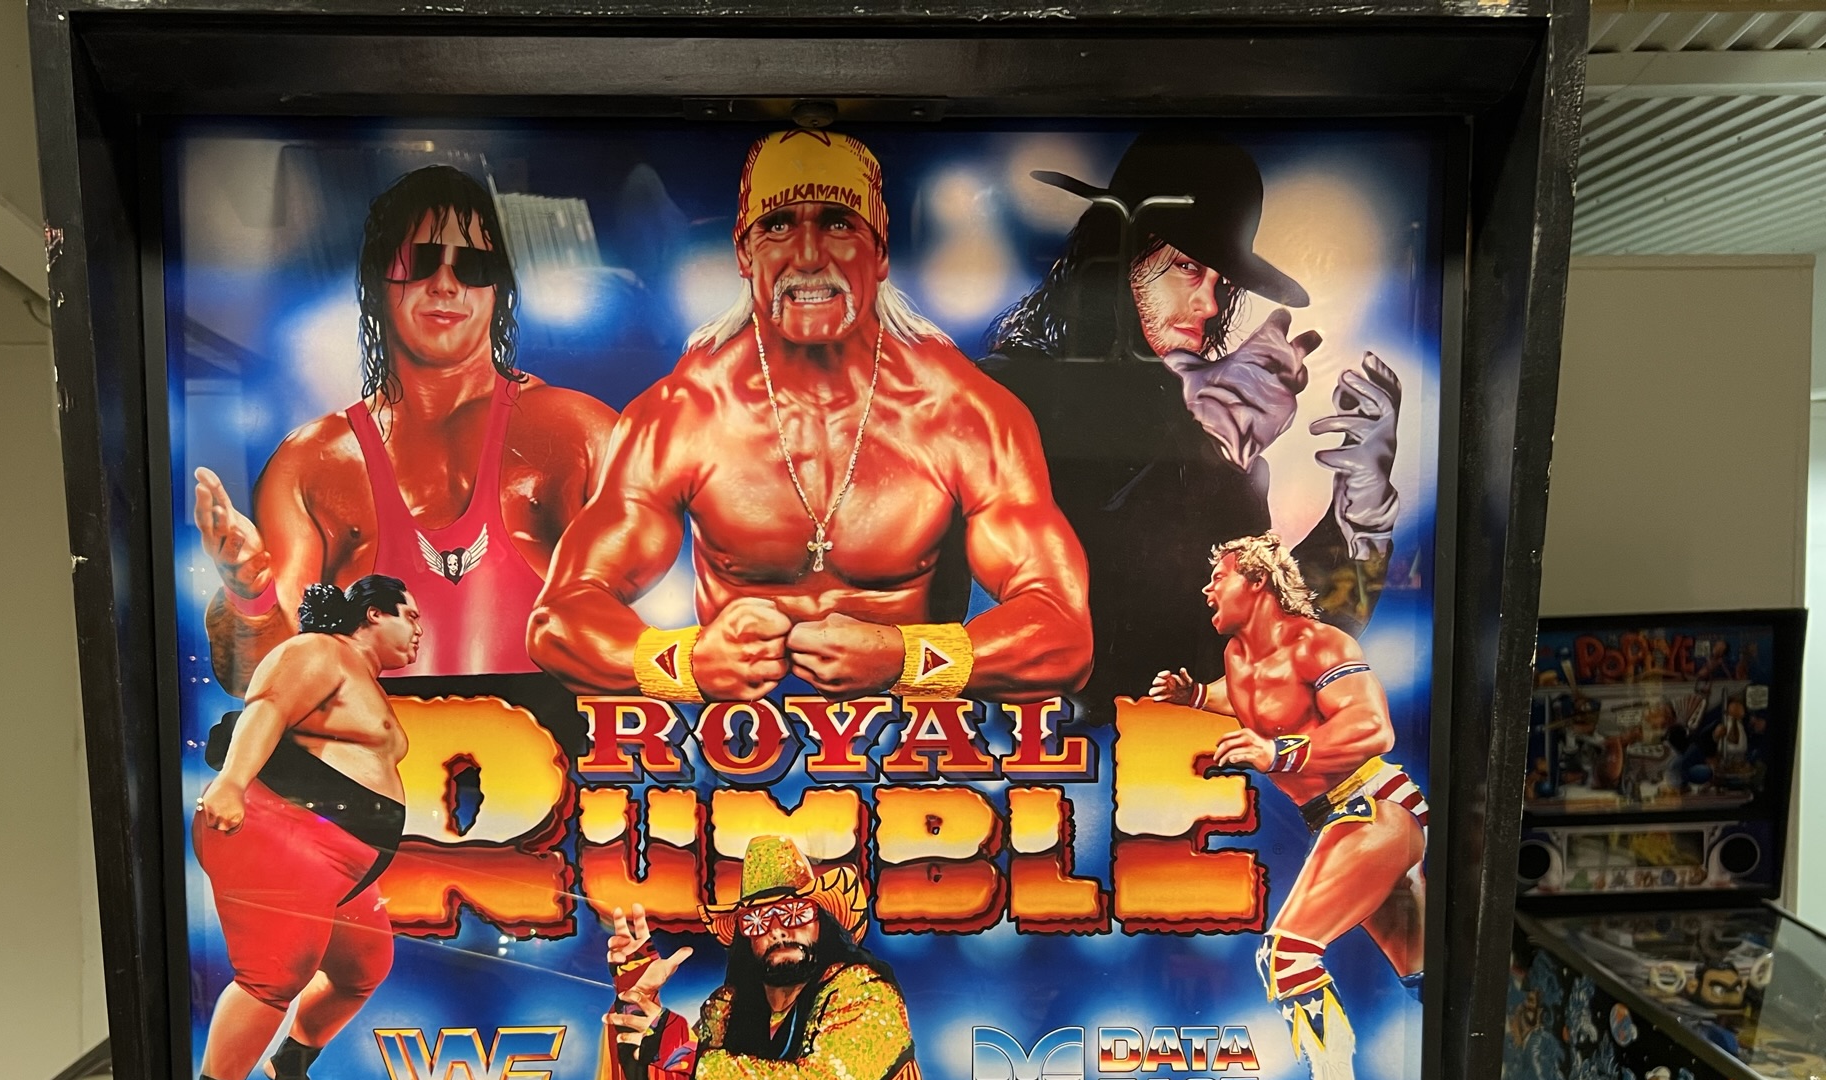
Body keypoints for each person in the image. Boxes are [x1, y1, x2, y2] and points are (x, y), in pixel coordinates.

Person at [528, 129, 1091, 705]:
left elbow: (1063, 633)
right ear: (744, 253)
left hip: (912, 745)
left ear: (881, 251)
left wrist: (905, 658)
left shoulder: (961, 413)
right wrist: (686, 663)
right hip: (733, 749)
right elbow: (559, 620)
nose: (807, 256)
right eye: (777, 226)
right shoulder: (685, 413)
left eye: (838, 223)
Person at [986, 130, 1405, 722]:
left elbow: (1276, 664)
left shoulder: (1209, 446)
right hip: (1021, 757)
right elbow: (1071, 625)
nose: (1209, 305)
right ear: (1118, 258)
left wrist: (1359, 519)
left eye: (1220, 281)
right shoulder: (1001, 399)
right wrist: (1200, 449)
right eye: (1186, 267)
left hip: (1170, 767)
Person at [193, 166, 617, 691]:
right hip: (373, 745)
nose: (446, 284)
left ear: (499, 289)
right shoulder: (310, 466)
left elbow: (639, 644)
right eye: (419, 262)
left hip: (545, 744)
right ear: (377, 279)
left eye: (474, 266)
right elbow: (263, 681)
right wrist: (250, 594)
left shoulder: (579, 435)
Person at [1151, 534, 1426, 1080]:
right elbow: (1255, 700)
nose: (1207, 588)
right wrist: (1196, 697)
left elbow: (1372, 727)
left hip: (1373, 804)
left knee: (1287, 953)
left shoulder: (1319, 644)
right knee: (1425, 973)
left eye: (1219, 576)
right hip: (1338, 816)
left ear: (1256, 581)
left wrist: (1280, 752)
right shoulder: (1237, 656)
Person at [191, 576, 421, 1080]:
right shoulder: (319, 651)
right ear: (373, 614)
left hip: (342, 863)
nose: (420, 629)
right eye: (411, 615)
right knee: (276, 974)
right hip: (281, 830)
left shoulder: (361, 679)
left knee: (363, 966)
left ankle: (289, 1063)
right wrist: (231, 782)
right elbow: (267, 707)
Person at [573, 835, 961, 1080]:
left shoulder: (866, 994)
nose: (777, 930)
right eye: (758, 920)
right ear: (746, 937)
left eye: (794, 913)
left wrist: (684, 1055)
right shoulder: (727, 1008)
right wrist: (638, 998)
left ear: (822, 922)